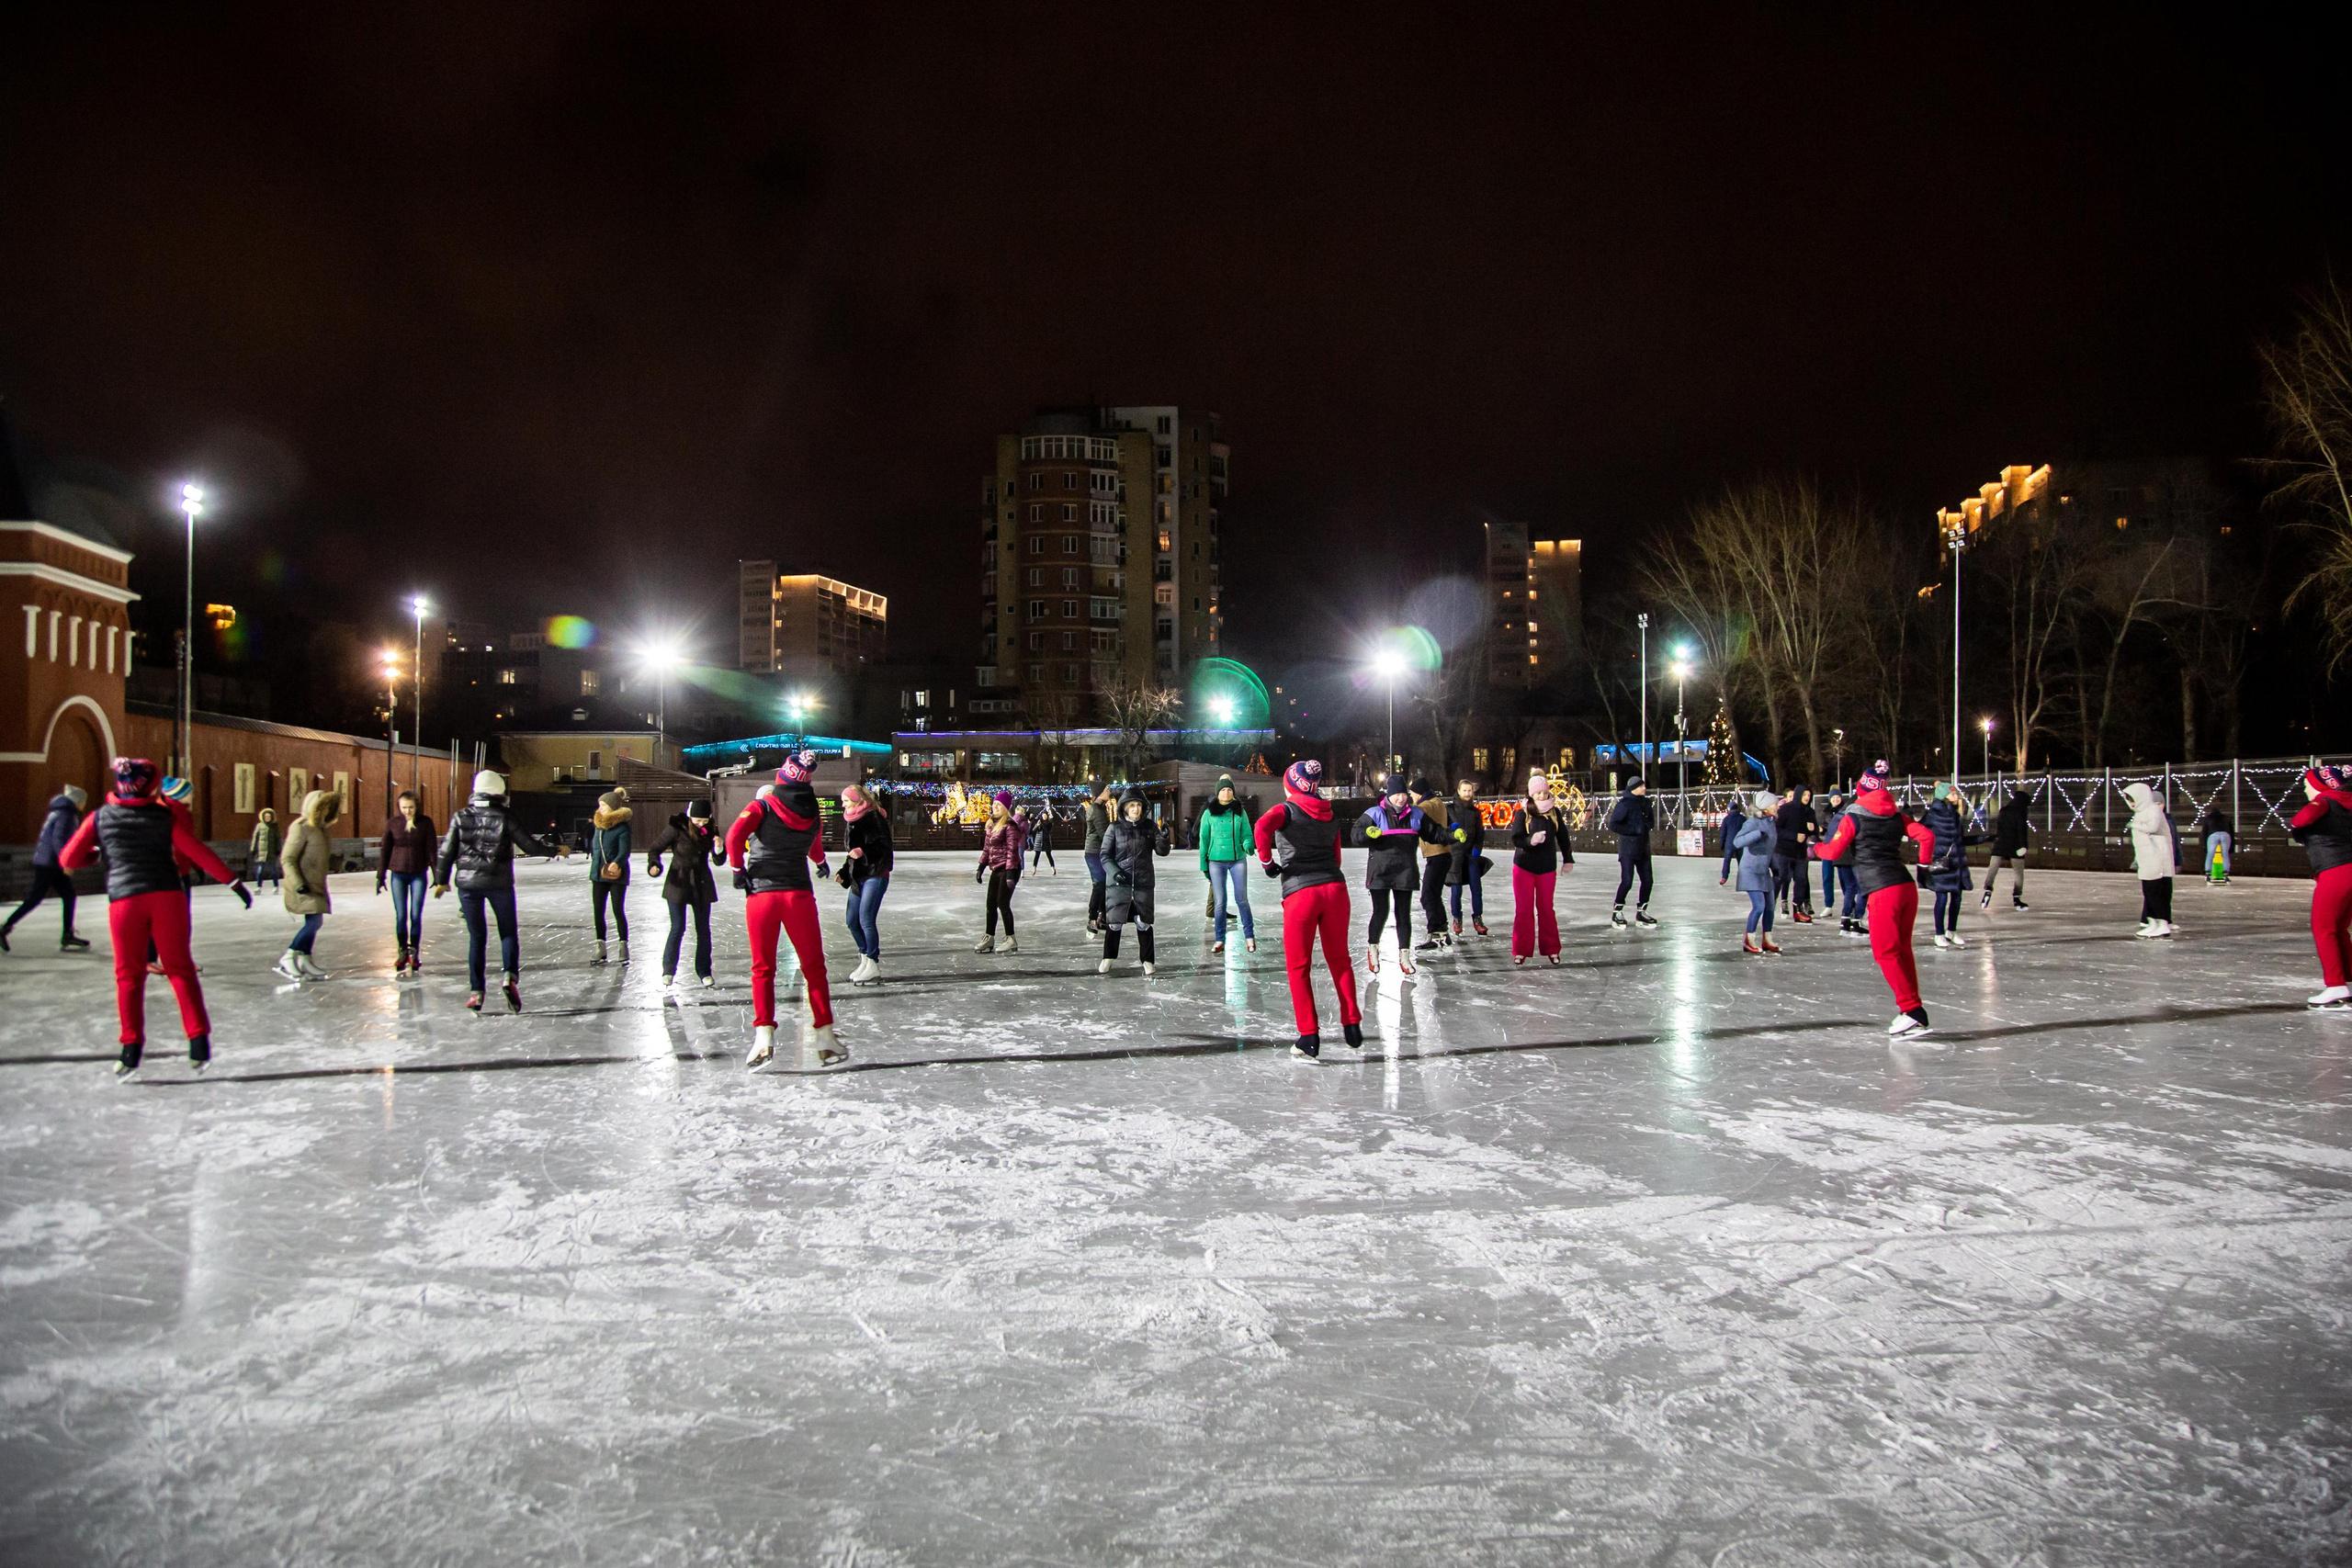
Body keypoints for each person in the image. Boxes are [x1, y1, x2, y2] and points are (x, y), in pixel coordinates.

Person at [57, 758, 250, 1077]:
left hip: (125, 901)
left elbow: (68, 857)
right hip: (168, 898)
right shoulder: (165, 816)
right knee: (180, 969)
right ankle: (198, 1042)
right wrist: (233, 882)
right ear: (151, 787)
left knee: (129, 976)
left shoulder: (100, 817)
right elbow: (195, 850)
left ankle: (130, 1050)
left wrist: (97, 854)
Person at [726, 750, 842, 1069]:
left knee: (763, 969)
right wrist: (820, 861)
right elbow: (814, 844)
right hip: (798, 895)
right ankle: (824, 1034)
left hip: (762, 896)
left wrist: (737, 869)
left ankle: (763, 1036)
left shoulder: (761, 806)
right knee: (814, 967)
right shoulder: (812, 812)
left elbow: (734, 837)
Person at [1808, 760, 1938, 1037]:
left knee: (1886, 953)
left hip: (1882, 891)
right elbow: (1926, 836)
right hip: (1906, 887)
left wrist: (1814, 847)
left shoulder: (1853, 817)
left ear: (1861, 789)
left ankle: (1912, 1010)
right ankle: (1912, 1009)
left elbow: (1832, 852)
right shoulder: (1896, 816)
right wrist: (1924, 866)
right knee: (1902, 950)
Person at [433, 769, 568, 1012]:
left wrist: (441, 880)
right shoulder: (506, 816)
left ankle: (476, 992)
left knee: (477, 937)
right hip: (499, 883)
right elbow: (529, 845)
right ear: (499, 792)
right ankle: (509, 977)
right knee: (507, 932)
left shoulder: (461, 816)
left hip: (468, 885)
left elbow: (446, 850)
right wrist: (555, 850)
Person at [1254, 759, 1363, 1057]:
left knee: (1298, 966)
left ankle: (1309, 1036)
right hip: (1335, 889)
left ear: (1291, 784)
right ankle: (1352, 1023)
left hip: (1301, 893)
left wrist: (1267, 862)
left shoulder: (1286, 810)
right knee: (1340, 960)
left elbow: (1261, 827)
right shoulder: (1329, 812)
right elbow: (1336, 856)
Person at [1358, 773, 1438, 976]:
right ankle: (1373, 949)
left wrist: (1452, 835)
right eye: (1396, 795)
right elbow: (1355, 834)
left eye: (1403, 794)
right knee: (1381, 912)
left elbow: (1434, 833)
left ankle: (1404, 956)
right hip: (1380, 872)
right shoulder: (1375, 813)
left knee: (1403, 914)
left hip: (1405, 871)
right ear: (1389, 795)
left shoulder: (1416, 814)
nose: (1401, 798)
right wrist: (1367, 833)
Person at [1, 783, 90, 953]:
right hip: (49, 864)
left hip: (50, 862)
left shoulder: (60, 811)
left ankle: (68, 934)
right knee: (34, 899)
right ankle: (5, 928)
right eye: (83, 801)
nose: (84, 805)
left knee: (69, 895)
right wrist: (67, 862)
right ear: (77, 801)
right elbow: (59, 841)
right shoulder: (66, 814)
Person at [2290, 764, 2352, 1008]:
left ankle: (2335, 986)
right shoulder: (2346, 804)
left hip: (2335, 871)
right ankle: (2347, 982)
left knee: (2324, 928)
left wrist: (2299, 823)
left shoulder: (2324, 802)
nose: (2305, 789)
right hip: (2346, 869)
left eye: (2307, 785)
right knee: (2339, 929)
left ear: (2319, 786)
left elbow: (2300, 819)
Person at [645, 799, 721, 990]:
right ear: (690, 816)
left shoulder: (711, 829)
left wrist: (719, 848)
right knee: (678, 927)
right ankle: (668, 970)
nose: (701, 824)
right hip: (678, 881)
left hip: (701, 882)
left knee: (703, 929)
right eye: (697, 821)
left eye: (704, 821)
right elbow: (655, 848)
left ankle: (704, 971)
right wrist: (654, 865)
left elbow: (719, 860)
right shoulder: (677, 827)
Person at [1098, 788, 1170, 975]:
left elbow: (1162, 852)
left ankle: (1148, 960)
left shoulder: (1149, 827)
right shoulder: (1114, 828)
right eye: (1132, 805)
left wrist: (1163, 838)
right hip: (1119, 885)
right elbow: (1105, 855)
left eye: (1138, 805)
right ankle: (1108, 957)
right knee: (1114, 923)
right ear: (1125, 808)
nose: (1136, 809)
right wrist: (1115, 873)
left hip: (1142, 883)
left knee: (1143, 922)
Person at [275, 788, 342, 981]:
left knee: (313, 921)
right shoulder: (301, 826)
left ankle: (305, 959)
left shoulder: (322, 829)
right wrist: (299, 884)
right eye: (323, 807)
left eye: (329, 807)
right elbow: (287, 858)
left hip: (316, 884)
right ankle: (289, 956)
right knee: (315, 922)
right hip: (302, 885)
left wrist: (336, 863)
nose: (326, 810)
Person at [1508, 770, 1574, 965]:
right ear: (1531, 794)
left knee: (1546, 909)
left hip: (1546, 867)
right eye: (1538, 793)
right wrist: (1531, 840)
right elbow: (1516, 838)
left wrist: (1568, 859)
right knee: (1523, 910)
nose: (1542, 796)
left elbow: (1563, 837)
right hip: (1524, 867)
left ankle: (1552, 949)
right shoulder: (1523, 813)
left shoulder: (1554, 813)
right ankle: (1521, 950)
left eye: (1544, 792)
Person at [834, 784, 891, 985]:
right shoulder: (851, 819)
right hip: (858, 876)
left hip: (876, 874)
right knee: (852, 921)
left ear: (857, 800)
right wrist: (844, 872)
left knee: (866, 919)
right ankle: (865, 958)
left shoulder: (873, 817)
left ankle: (872, 963)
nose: (843, 805)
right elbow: (852, 853)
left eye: (846, 801)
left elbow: (884, 847)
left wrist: (863, 852)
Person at [375, 789, 436, 976]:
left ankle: (414, 951)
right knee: (401, 915)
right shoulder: (394, 823)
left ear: (417, 807)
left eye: (410, 807)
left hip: (418, 874)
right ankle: (402, 950)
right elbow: (385, 849)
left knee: (415, 915)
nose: (407, 811)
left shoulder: (425, 823)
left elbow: (432, 850)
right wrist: (380, 876)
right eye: (404, 808)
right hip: (398, 875)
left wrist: (438, 875)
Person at [1197, 773, 1257, 954]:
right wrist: (1204, 865)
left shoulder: (1240, 811)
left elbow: (1247, 833)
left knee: (1242, 899)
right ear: (1217, 793)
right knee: (1220, 902)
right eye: (1223, 790)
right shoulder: (1209, 813)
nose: (1226, 793)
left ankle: (1249, 936)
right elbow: (1204, 840)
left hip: (1237, 859)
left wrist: (1248, 845)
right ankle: (1219, 939)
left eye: (1229, 790)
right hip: (1216, 861)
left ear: (1233, 793)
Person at [1920, 782, 1984, 947]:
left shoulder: (1955, 815)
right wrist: (1933, 850)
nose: (1957, 796)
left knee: (1957, 898)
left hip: (1957, 863)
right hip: (1942, 862)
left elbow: (1960, 840)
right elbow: (1920, 832)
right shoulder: (1933, 814)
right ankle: (1939, 933)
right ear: (1944, 796)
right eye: (1953, 794)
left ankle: (1952, 931)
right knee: (1942, 898)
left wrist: (1983, 839)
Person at [2123, 781, 2177, 938]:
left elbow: (2152, 827)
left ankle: (2163, 924)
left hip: (2157, 859)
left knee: (2157, 893)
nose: (2131, 803)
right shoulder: (2139, 813)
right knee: (2149, 892)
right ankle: (2152, 922)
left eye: (2132, 799)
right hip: (2146, 860)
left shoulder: (2153, 810)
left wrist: (2135, 825)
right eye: (2128, 799)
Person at [974, 789, 1025, 953]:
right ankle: (989, 937)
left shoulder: (1010, 826)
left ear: (1006, 808)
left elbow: (1012, 851)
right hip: (996, 869)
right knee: (990, 904)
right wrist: (981, 867)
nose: (995, 806)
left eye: (999, 804)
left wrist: (1010, 874)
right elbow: (987, 849)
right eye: (994, 803)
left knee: (1003, 903)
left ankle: (1011, 939)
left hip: (1010, 869)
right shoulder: (991, 825)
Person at [586, 787, 633, 965]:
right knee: (598, 910)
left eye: (604, 805)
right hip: (597, 875)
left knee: (617, 909)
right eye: (600, 805)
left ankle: (623, 945)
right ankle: (600, 947)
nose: (600, 808)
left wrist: (617, 862)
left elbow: (625, 850)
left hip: (616, 875)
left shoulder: (622, 828)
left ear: (612, 807)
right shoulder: (598, 826)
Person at [1606, 776, 1658, 929]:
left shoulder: (1646, 803)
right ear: (1634, 788)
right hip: (1628, 850)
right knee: (1627, 881)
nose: (1644, 788)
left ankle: (1642, 911)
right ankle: (1617, 911)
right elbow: (1614, 825)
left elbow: (1651, 822)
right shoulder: (1624, 804)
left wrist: (1646, 825)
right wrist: (1634, 829)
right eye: (1641, 786)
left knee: (1648, 881)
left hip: (1643, 848)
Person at [1735, 790, 1781, 954]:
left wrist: (1775, 868)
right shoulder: (1753, 823)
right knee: (1759, 906)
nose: (1777, 807)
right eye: (1775, 804)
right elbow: (1737, 841)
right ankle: (1749, 939)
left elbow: (1770, 849)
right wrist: (1756, 835)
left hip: (1764, 870)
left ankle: (1767, 939)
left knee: (1770, 907)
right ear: (1766, 806)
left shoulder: (1771, 823)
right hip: (1750, 870)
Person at [1444, 779, 1488, 936]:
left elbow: (1480, 833)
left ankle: (1478, 918)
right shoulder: (1449, 810)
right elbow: (1443, 831)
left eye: (1470, 791)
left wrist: (1477, 848)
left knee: (1476, 888)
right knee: (1456, 890)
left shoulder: (1475, 812)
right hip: (1455, 855)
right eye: (1464, 790)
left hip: (1470, 855)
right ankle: (1457, 918)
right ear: (1458, 791)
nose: (1467, 794)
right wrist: (1450, 830)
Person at [1981, 786, 2033, 911]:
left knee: (1993, 868)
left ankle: (1988, 889)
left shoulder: (2003, 811)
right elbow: (2021, 831)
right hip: (2015, 846)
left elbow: (1999, 828)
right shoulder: (2020, 812)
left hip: (2000, 844)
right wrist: (2024, 846)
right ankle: (2017, 898)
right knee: (2018, 873)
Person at [1773, 786, 1817, 921]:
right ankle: (1769, 905)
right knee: (1781, 877)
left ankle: (1798, 909)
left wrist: (1813, 829)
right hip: (1783, 851)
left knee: (1801, 879)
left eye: (1809, 795)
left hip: (1800, 852)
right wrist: (1794, 836)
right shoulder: (1785, 809)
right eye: (1804, 795)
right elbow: (1777, 829)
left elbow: (1814, 830)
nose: (1807, 798)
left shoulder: (1809, 811)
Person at [1082, 779, 1113, 934]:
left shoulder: (1099, 808)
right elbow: (1105, 833)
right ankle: (1092, 918)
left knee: (1104, 884)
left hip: (1097, 852)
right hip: (1094, 852)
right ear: (1100, 793)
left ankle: (1102, 917)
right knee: (1099, 884)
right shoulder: (1096, 810)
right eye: (1107, 789)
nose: (1109, 792)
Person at [247, 806, 282, 888]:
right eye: (266, 816)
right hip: (261, 852)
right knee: (260, 870)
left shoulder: (275, 826)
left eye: (269, 817)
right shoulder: (259, 826)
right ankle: (259, 886)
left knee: (273, 870)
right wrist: (253, 849)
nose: (267, 818)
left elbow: (278, 839)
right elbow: (255, 838)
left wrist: (278, 849)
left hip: (271, 852)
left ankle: (276, 886)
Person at [2197, 805, 2233, 886]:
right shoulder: (2226, 818)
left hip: (2213, 835)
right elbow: (2231, 830)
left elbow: (2204, 831)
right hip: (2225, 834)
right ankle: (2226, 873)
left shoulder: (2208, 818)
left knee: (2210, 854)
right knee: (2225, 854)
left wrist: (2204, 845)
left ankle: (2208, 873)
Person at [1716, 795, 1747, 887]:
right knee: (1741, 862)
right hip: (1740, 843)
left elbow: (1723, 833)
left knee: (1727, 860)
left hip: (1729, 843)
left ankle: (1724, 877)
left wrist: (1722, 844)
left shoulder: (1726, 819)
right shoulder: (1742, 818)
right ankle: (1744, 878)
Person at [1025, 802, 1057, 874]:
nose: (1044, 817)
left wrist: (1041, 824)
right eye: (1043, 815)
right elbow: (1032, 831)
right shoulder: (1038, 823)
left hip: (1046, 841)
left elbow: (1047, 831)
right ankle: (1034, 868)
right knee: (1037, 855)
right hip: (1038, 841)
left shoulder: (1049, 823)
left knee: (1049, 855)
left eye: (1045, 815)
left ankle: (1053, 868)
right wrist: (1037, 825)